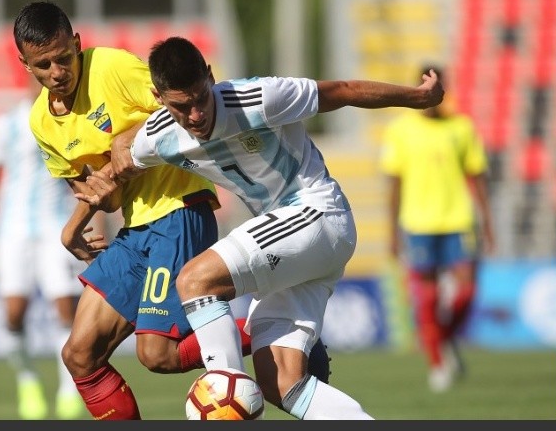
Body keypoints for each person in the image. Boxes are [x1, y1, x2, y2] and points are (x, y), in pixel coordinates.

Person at [85, 36, 444, 420]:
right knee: (281, 383)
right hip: (297, 248)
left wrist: (418, 97)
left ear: (210, 76)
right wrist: (77, 224)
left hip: (315, 213)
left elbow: (342, 90)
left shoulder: (256, 98)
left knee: (195, 281)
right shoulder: (160, 136)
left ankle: (223, 392)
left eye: (200, 98)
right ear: (158, 97)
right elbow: (112, 174)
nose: (194, 115)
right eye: (180, 106)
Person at [12, 1, 272, 421]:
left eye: (64, 57)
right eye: (44, 65)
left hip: (179, 210)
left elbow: (184, 110)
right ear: (25, 64)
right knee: (79, 356)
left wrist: (127, 139)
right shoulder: (41, 123)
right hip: (135, 228)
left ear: (77, 44)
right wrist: (75, 224)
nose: (58, 72)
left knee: (158, 354)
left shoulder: (112, 68)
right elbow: (106, 196)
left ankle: (276, 332)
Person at [0, 75, 101, 419]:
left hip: (55, 227)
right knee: (13, 314)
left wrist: (97, 224)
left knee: (65, 307)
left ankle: (67, 389)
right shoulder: (5, 125)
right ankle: (27, 378)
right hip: (12, 230)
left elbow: (88, 176)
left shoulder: (70, 123)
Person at [379, 64, 494, 393]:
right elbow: (394, 184)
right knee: (427, 298)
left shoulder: (462, 127)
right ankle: (438, 363)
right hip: (418, 224)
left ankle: (442, 339)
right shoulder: (401, 130)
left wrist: (488, 222)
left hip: (459, 220)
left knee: (467, 293)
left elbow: (477, 176)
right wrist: (392, 232)